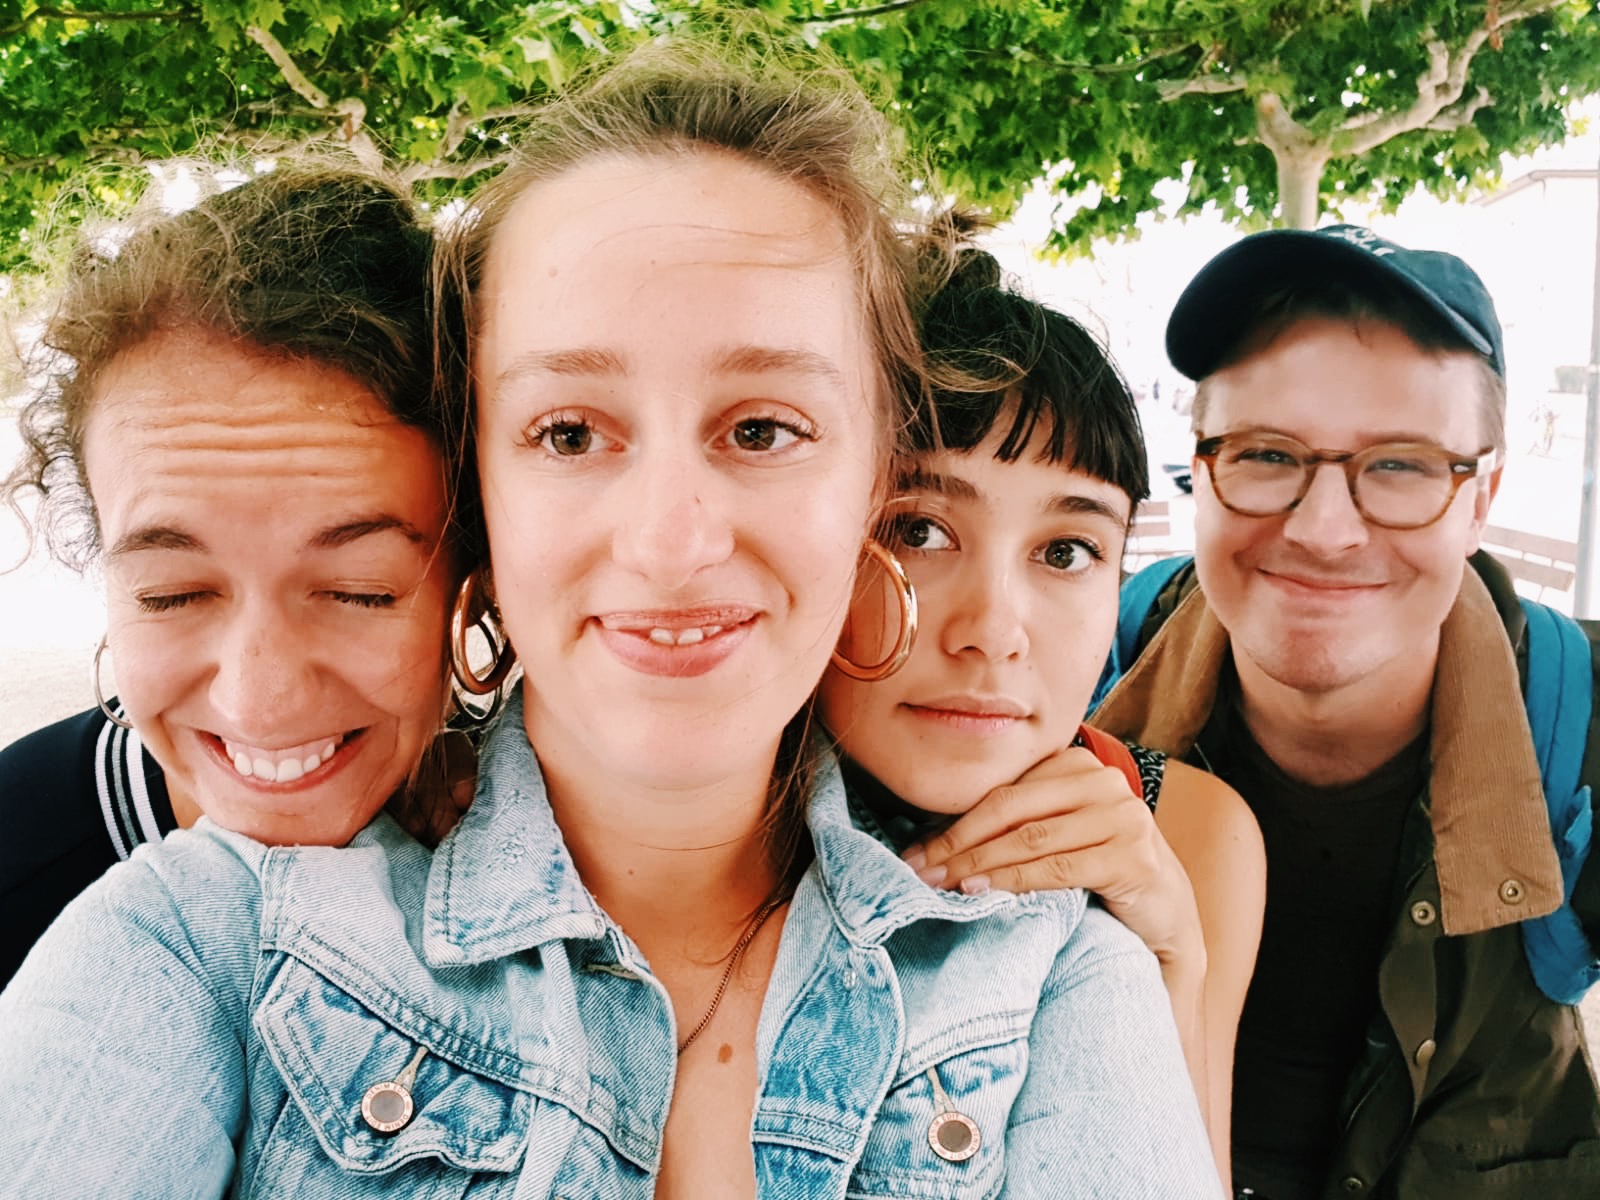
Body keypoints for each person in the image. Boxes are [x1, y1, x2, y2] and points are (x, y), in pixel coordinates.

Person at [0, 42, 1219, 1197]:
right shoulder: (200, 947)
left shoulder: (1053, 979)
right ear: (478, 493)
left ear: (874, 480)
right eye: (570, 433)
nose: (670, 542)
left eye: (762, 429)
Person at [1091, 224, 1600, 1197]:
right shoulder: (1076, 662)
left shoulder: (1577, 721)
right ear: (1200, 470)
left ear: (1480, 498)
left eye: (1402, 465)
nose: (1324, 530)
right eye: (1266, 453)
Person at [816, 246, 1264, 1183]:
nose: (994, 632)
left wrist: (1174, 953)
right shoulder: (707, 816)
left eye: (1065, 551)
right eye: (918, 530)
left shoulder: (1192, 831)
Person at [0, 162, 470, 986]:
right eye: (171, 595)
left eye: (358, 592)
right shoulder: (18, 861)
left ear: (474, 577)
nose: (261, 702)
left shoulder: (594, 851)